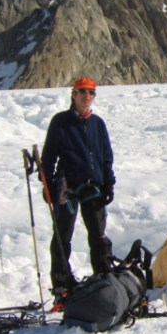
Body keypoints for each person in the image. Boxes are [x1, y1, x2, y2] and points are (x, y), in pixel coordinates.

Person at [41, 77, 116, 309]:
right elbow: (48, 157)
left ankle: (104, 276)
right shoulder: (60, 122)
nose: (87, 96)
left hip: (93, 186)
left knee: (98, 235)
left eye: (91, 92)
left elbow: (105, 155)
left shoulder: (97, 123)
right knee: (63, 237)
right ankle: (62, 286)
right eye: (83, 92)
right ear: (73, 94)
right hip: (68, 188)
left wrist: (108, 182)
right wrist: (49, 186)